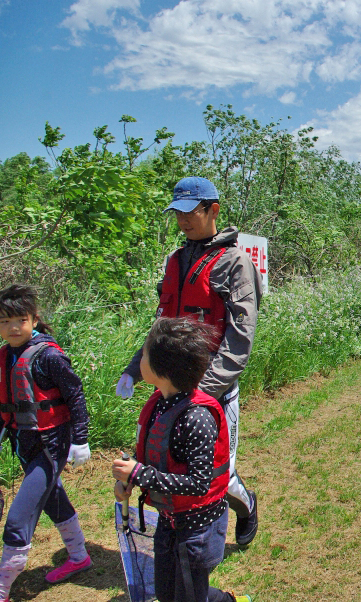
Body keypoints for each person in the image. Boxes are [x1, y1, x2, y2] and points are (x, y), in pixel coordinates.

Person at [116, 177, 262, 546]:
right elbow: (161, 327)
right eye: (177, 212)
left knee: (217, 477)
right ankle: (177, 544)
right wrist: (136, 368)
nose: (182, 220)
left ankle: (246, 507)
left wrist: (204, 393)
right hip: (171, 389)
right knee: (170, 467)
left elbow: (239, 339)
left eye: (190, 211)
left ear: (212, 210)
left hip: (213, 392)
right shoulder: (175, 262)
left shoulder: (234, 263)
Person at [112, 318, 252, 602]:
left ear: (163, 368)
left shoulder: (196, 417)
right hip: (168, 520)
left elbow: (200, 483)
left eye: (145, 354)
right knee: (166, 595)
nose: (140, 359)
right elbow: (156, 459)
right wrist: (130, 481)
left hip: (196, 529)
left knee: (187, 597)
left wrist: (139, 474)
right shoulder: (160, 403)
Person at [0, 285, 92, 602]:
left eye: (20, 319)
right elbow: (7, 406)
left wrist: (80, 439)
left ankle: (0, 590)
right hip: (24, 444)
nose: (13, 327)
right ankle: (79, 557)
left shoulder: (49, 357)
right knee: (52, 500)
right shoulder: (1, 358)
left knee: (18, 519)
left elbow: (75, 396)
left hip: (51, 444)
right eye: (4, 321)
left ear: (33, 319)